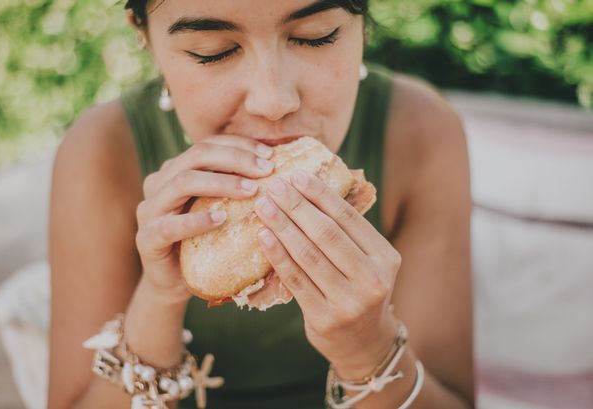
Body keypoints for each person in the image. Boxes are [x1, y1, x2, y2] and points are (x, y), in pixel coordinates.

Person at [47, 1, 475, 408]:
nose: (273, 102)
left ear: (361, 24)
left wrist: (370, 350)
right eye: (212, 52)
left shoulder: (422, 132)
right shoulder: (100, 153)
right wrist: (159, 299)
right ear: (146, 37)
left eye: (316, 36)